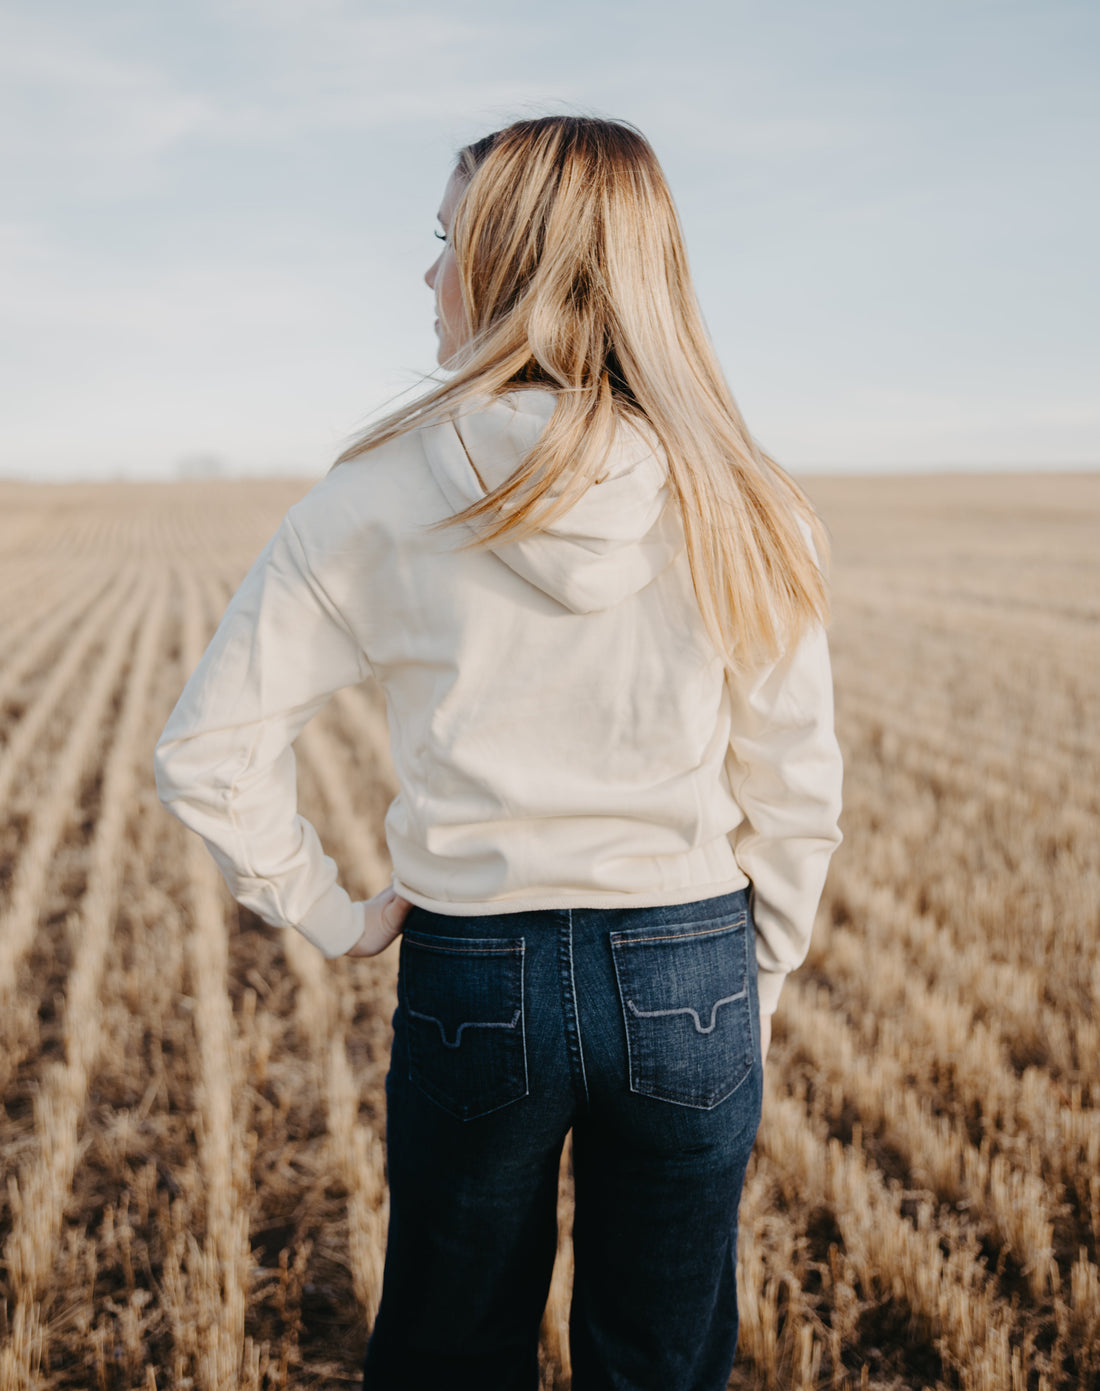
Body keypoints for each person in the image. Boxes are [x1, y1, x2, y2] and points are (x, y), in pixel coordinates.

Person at [154, 114, 843, 1391]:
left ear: (513, 261)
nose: (425, 278)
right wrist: (760, 977)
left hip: (475, 969)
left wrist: (337, 914)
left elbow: (207, 753)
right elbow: (794, 785)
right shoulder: (745, 496)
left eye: (445, 242)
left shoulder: (371, 492)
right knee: (662, 1360)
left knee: (447, 1351)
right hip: (689, 963)